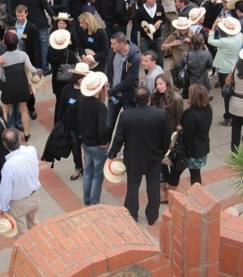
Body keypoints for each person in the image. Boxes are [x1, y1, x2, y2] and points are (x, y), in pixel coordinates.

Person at [108, 86, 170, 225]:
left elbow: (119, 138)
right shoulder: (160, 115)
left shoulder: (126, 115)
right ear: (149, 99)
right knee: (153, 187)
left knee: (133, 187)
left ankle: (132, 215)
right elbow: (166, 138)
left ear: (135, 100)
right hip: (154, 158)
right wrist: (161, 152)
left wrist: (113, 152)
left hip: (133, 158)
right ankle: (152, 216)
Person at [163, 84, 212, 200]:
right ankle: (197, 197)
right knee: (195, 174)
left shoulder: (192, 115)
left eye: (189, 94)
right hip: (201, 149)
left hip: (188, 151)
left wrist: (180, 129)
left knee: (175, 172)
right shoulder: (208, 109)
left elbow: (186, 135)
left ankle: (167, 196)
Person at [0, 128, 41, 236]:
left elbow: (5, 190)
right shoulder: (31, 150)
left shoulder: (9, 166)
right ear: (19, 139)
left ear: (5, 145)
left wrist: (1, 207)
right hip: (35, 197)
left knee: (22, 235)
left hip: (18, 204)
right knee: (34, 226)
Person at [0, 32, 41, 140]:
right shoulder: (23, 55)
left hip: (8, 86)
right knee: (23, 109)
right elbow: (32, 69)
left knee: (4, 109)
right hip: (22, 85)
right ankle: (26, 133)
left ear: (5, 43)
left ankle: (5, 133)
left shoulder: (2, 58)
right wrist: (38, 71)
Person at [78, 71, 109, 205]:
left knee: (88, 172)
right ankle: (94, 203)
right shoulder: (100, 107)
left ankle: (86, 200)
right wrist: (105, 141)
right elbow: (102, 128)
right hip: (97, 145)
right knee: (97, 175)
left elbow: (70, 114)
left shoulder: (82, 100)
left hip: (86, 142)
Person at [14, 0, 55, 73]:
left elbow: (16, 6)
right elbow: (45, 5)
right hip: (40, 22)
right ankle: (44, 67)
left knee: (28, 45)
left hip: (26, 23)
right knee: (43, 44)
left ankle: (30, 65)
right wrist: (54, 17)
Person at [208, 17, 243, 125]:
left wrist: (213, 28)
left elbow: (210, 41)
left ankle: (228, 117)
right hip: (236, 68)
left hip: (224, 70)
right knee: (235, 92)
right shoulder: (240, 36)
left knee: (227, 94)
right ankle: (237, 115)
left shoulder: (223, 41)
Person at [57, 63, 89, 181]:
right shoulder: (67, 89)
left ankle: (88, 168)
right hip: (72, 125)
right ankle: (78, 167)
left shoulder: (89, 90)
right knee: (75, 146)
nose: (82, 79)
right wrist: (59, 123)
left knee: (87, 148)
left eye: (84, 76)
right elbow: (61, 106)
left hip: (86, 125)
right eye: (80, 76)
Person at [105, 32, 141, 135]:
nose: (111, 46)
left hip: (128, 97)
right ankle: (105, 147)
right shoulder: (113, 51)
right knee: (108, 125)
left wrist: (111, 91)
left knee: (129, 127)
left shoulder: (135, 57)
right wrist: (106, 80)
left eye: (113, 44)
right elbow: (108, 66)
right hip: (114, 96)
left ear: (121, 44)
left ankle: (129, 149)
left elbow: (129, 81)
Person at [48, 16, 78, 120]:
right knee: (66, 100)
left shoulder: (51, 50)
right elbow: (77, 64)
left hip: (56, 77)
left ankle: (57, 121)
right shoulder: (68, 53)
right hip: (66, 79)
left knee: (58, 100)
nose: (62, 25)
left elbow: (48, 60)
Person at [134, 0, 165, 67]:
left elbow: (164, 18)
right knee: (146, 59)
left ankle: (160, 75)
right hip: (145, 39)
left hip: (157, 37)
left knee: (159, 58)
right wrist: (143, 29)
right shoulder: (140, 10)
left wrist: (160, 21)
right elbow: (136, 24)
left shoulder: (159, 7)